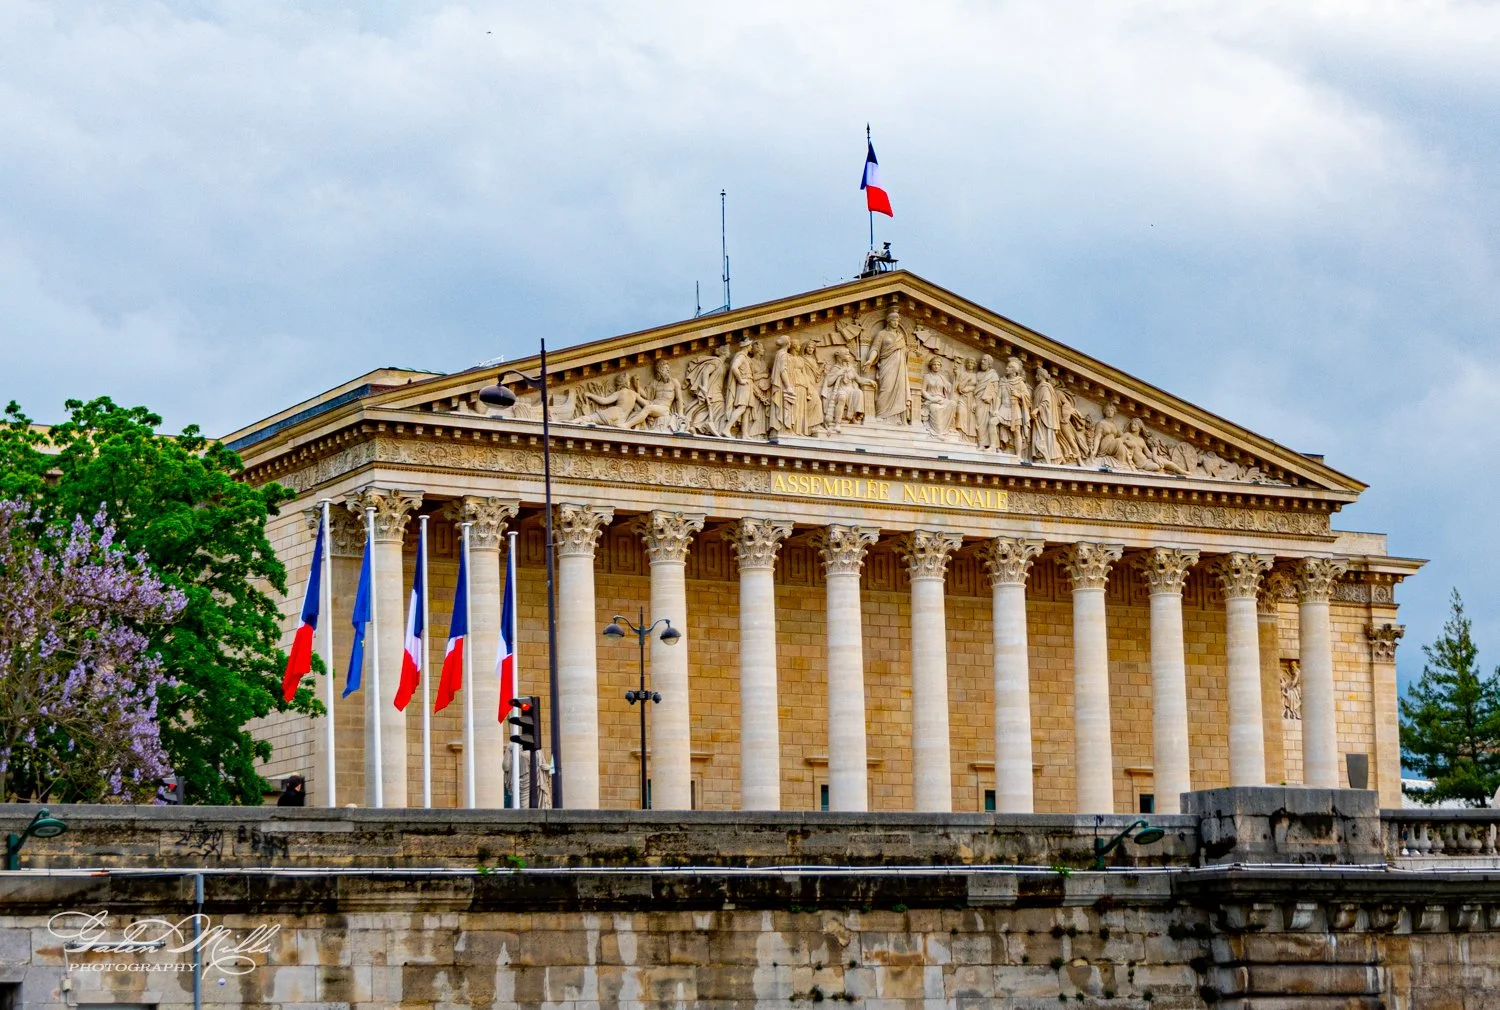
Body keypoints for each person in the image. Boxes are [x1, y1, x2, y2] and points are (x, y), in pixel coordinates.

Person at [861, 308, 911, 423]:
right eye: (894, 320)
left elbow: (906, 353)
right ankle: (881, 415)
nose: (896, 323)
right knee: (885, 389)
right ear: (889, 321)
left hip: (900, 369)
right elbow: (875, 348)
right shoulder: (882, 334)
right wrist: (869, 360)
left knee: (899, 392)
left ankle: (897, 418)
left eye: (898, 321)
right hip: (886, 365)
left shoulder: (901, 337)